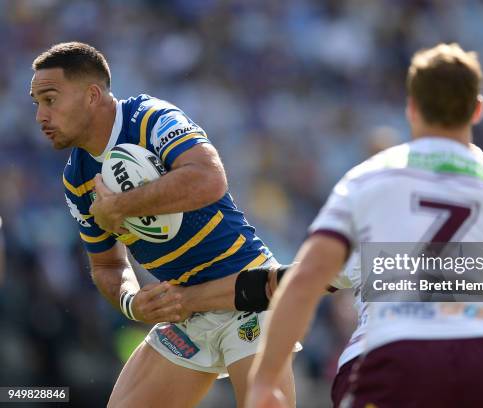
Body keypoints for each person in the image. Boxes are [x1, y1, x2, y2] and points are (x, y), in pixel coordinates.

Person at [246, 43, 483, 408]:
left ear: (412, 108)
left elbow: (306, 279)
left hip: (386, 363)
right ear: (477, 110)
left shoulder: (367, 180)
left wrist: (264, 382)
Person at [30, 41, 294, 408]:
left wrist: (119, 207)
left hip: (246, 292)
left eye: (50, 99)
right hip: (184, 311)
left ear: (92, 94)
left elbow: (209, 179)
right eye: (37, 103)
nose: (41, 115)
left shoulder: (148, 118)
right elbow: (108, 265)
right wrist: (132, 302)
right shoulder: (77, 178)